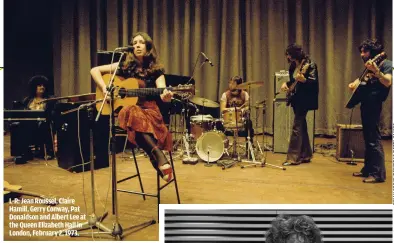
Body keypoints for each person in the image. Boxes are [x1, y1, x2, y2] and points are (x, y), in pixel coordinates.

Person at [90, 32, 174, 182]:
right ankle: (158, 156)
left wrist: (166, 96)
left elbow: (162, 91)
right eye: (134, 43)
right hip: (130, 111)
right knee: (130, 110)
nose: (137, 45)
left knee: (132, 115)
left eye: (141, 42)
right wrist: (104, 88)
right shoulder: (124, 66)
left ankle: (156, 157)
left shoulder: (156, 70)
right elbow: (94, 70)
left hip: (149, 111)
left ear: (148, 47)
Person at [348, 39, 392, 183]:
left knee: (373, 139)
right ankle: (368, 169)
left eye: (364, 51)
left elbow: (388, 81)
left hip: (374, 104)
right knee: (367, 138)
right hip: (366, 104)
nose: (362, 54)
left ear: (373, 52)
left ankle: (378, 174)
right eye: (361, 51)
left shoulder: (386, 64)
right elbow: (364, 80)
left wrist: (377, 71)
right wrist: (355, 83)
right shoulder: (369, 66)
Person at [281, 44, 319, 166]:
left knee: (297, 126)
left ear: (294, 54)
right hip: (296, 98)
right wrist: (286, 84)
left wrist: (304, 80)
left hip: (305, 99)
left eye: (288, 54)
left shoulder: (310, 64)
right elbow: (293, 81)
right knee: (301, 126)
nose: (287, 56)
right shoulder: (293, 65)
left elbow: (313, 82)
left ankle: (293, 158)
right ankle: (306, 154)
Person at [10, 75, 56, 160]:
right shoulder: (27, 100)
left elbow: (53, 113)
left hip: (44, 123)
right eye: (39, 85)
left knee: (43, 125)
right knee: (17, 126)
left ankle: (47, 151)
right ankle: (23, 152)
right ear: (34, 87)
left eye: (43, 85)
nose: (42, 87)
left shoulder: (50, 99)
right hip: (30, 124)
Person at [219, 76, 254, 142]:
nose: (230, 85)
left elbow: (247, 106)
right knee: (219, 124)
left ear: (238, 85)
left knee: (249, 122)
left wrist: (242, 110)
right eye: (230, 83)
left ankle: (249, 145)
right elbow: (222, 109)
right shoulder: (225, 94)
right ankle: (222, 146)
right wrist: (233, 109)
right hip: (228, 119)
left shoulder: (245, 94)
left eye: (232, 83)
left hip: (241, 119)